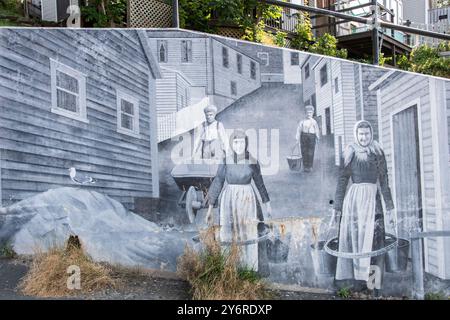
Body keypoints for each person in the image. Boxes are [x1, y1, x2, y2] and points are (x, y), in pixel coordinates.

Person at [333, 120, 395, 296]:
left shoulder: (377, 152)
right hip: (354, 202)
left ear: (371, 134)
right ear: (356, 135)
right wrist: (337, 207)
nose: (364, 137)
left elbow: (384, 181)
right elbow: (342, 181)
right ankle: (357, 284)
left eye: (367, 134)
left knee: (375, 242)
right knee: (355, 241)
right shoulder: (349, 153)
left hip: (373, 201)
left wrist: (390, 207)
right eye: (361, 134)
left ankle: (374, 285)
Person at [205, 130, 272, 276]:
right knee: (229, 232)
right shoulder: (226, 160)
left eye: (242, 142)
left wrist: (267, 204)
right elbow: (218, 182)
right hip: (228, 200)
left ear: (246, 143)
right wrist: (210, 208)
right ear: (231, 144)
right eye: (236, 142)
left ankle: (248, 267)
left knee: (248, 231)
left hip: (247, 200)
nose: (239, 145)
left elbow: (260, 183)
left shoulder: (252, 161)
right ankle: (229, 266)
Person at [295, 105, 320, 172]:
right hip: (303, 137)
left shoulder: (314, 122)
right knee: (304, 151)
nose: (309, 114)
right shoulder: (302, 121)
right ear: (305, 113)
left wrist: (318, 137)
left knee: (311, 151)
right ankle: (305, 166)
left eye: (310, 113)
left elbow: (317, 130)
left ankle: (310, 166)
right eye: (307, 112)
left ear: (313, 113)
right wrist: (297, 138)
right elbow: (298, 130)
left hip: (312, 137)